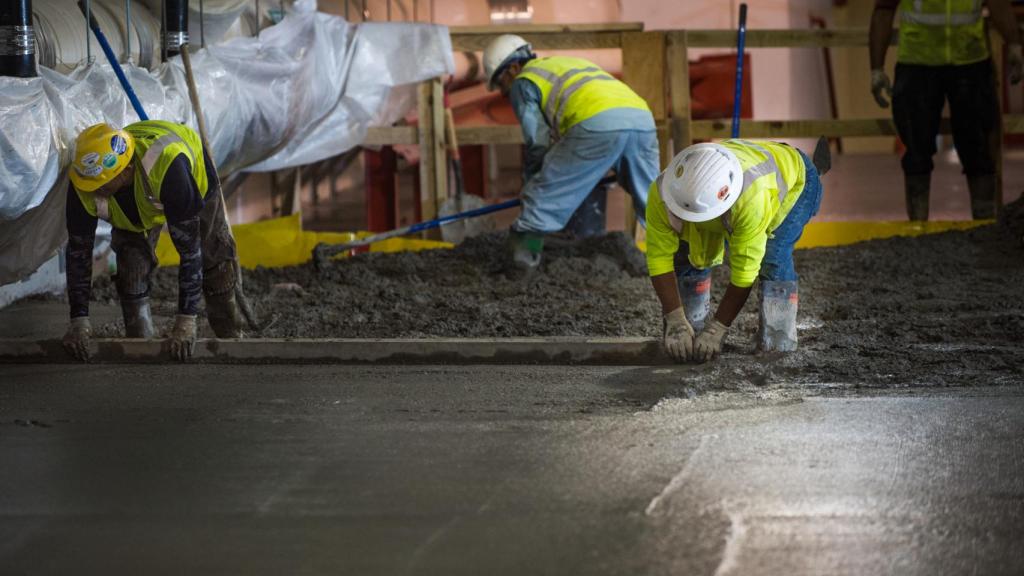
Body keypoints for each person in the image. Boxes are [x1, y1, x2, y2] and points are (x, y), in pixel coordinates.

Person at [62, 120, 244, 361]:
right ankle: (140, 343)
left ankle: (230, 338)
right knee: (131, 267)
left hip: (190, 182)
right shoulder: (86, 181)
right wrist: (79, 320)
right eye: (90, 184)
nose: (94, 190)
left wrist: (186, 320)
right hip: (136, 207)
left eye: (102, 185)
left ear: (126, 171)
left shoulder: (169, 168)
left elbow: (190, 252)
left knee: (213, 258)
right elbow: (78, 255)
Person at [482, 34, 661, 272]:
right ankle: (678, 262)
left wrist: (533, 181)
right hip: (641, 119)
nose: (505, 93)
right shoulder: (562, 65)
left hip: (596, 122)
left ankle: (521, 263)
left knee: (542, 195)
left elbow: (537, 141)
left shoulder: (524, 81)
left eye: (502, 84)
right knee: (653, 199)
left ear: (513, 68)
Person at [646, 138, 827, 363]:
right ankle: (690, 325)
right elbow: (658, 259)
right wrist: (675, 320)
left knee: (773, 255)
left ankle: (778, 337)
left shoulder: (751, 199)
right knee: (688, 248)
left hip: (795, 181)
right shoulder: (663, 193)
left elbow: (745, 273)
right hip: (740, 172)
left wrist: (718, 329)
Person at [869, 0, 1023, 220]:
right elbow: (884, 9)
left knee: (980, 151)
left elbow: (996, 3)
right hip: (918, 63)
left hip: (970, 62)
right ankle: (918, 232)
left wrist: (1014, 43)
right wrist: (876, 68)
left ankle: (985, 230)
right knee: (916, 152)